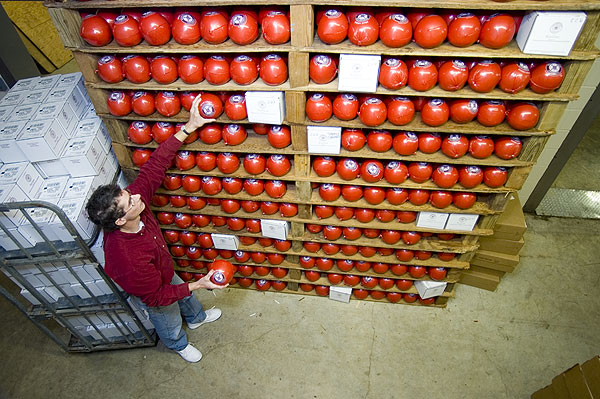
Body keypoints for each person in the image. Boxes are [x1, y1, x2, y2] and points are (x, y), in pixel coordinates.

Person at [85, 95, 225, 363]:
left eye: (128, 193)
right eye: (130, 201)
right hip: (151, 289)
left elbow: (154, 166)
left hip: (160, 265)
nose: (136, 196)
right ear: (120, 221)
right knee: (167, 312)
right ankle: (176, 343)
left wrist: (189, 126)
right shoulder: (127, 259)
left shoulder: (133, 204)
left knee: (178, 286)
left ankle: (196, 318)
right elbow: (158, 295)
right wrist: (200, 283)